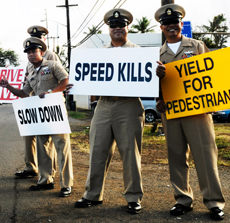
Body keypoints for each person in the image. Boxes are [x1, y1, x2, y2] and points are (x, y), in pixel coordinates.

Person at [67, 8, 145, 214]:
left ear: (128, 27)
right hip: (103, 104)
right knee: (97, 150)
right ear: (108, 29)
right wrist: (74, 84)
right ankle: (92, 194)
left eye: (121, 25)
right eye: (113, 26)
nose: (117, 28)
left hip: (128, 105)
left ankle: (133, 197)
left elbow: (147, 80)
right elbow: (85, 78)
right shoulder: (98, 54)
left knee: (130, 152)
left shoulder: (140, 52)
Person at [154, 4, 225, 221]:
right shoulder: (158, 54)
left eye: (174, 22)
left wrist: (213, 100)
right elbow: (153, 85)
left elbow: (211, 76)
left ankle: (214, 202)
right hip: (172, 113)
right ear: (161, 28)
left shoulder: (197, 46)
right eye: (166, 23)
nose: (171, 26)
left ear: (181, 24)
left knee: (205, 156)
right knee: (176, 156)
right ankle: (182, 200)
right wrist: (158, 99)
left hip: (198, 112)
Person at [0, 37, 73, 197]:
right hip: (41, 115)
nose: (31, 54)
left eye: (34, 51)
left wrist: (51, 93)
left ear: (41, 52)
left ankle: (66, 184)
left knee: (62, 147)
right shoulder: (31, 72)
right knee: (43, 148)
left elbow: (65, 80)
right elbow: (24, 93)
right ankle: (45, 181)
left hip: (55, 112)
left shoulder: (52, 65)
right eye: (28, 52)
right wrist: (8, 86)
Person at [15, 25, 59, 179]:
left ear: (44, 39)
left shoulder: (51, 56)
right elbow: (28, 80)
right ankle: (30, 167)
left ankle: (49, 172)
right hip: (32, 101)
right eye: (34, 37)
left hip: (47, 103)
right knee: (29, 136)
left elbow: (57, 78)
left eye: (40, 37)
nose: (37, 40)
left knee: (47, 140)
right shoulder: (30, 57)